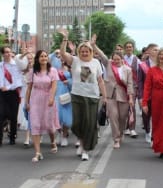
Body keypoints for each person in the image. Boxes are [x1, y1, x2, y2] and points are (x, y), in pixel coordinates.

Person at [58, 28, 107, 161]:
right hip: (77, 95)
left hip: (92, 97)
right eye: (82, 51)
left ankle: (85, 149)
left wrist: (105, 96)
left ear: (91, 52)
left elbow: (100, 81)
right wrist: (65, 39)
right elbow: (62, 53)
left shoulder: (96, 63)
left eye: (87, 51)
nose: (84, 53)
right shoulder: (74, 61)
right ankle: (80, 140)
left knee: (89, 123)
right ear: (79, 52)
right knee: (77, 123)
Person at [93, 38, 134, 149]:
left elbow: (130, 84)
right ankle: (116, 139)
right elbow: (102, 56)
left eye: (118, 59)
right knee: (113, 117)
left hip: (124, 96)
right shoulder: (109, 65)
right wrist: (94, 45)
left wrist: (130, 98)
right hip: (110, 95)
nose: (116, 61)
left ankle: (121, 133)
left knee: (122, 118)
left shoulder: (128, 70)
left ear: (122, 59)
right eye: (114, 59)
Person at [25, 50, 60, 162]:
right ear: (37, 59)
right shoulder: (32, 72)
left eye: (45, 56)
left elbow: (54, 86)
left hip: (48, 99)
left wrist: (51, 98)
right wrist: (27, 102)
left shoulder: (53, 71)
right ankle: (38, 152)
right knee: (35, 124)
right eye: (41, 56)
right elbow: (29, 88)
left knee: (49, 125)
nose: (44, 58)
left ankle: (53, 141)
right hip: (35, 99)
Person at [0, 46, 23, 145]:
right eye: (6, 52)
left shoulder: (16, 65)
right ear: (2, 54)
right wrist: (1, 86)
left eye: (9, 52)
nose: (8, 54)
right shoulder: (1, 65)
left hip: (13, 92)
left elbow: (19, 81)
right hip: (2, 93)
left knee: (13, 116)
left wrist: (8, 87)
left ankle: (12, 136)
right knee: (0, 115)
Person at [138, 43, 159, 144]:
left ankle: (154, 136)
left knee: (157, 116)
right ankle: (147, 131)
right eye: (155, 50)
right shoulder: (143, 65)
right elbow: (140, 81)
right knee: (146, 115)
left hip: (159, 95)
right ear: (148, 51)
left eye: (158, 50)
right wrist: (141, 96)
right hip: (147, 94)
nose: (157, 52)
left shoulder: (161, 64)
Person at [123, 41, 140, 138]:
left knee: (132, 106)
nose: (129, 48)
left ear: (133, 48)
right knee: (124, 108)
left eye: (130, 47)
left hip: (133, 86)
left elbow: (139, 73)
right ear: (125, 49)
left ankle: (132, 128)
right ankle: (125, 127)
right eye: (127, 47)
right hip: (122, 86)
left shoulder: (136, 60)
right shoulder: (121, 59)